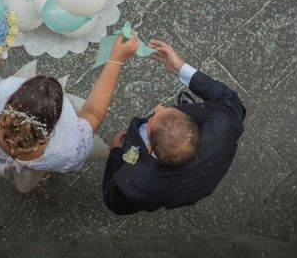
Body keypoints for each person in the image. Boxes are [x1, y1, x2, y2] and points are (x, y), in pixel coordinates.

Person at [0, 33, 139, 193]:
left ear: (9, 102)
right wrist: (116, 60)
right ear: (55, 123)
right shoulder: (67, 151)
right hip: (40, 163)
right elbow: (93, 113)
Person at [102, 40, 246, 215]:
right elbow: (231, 100)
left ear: (149, 147)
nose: (158, 107)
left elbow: (113, 201)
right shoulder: (224, 122)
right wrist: (180, 67)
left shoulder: (135, 185)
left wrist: (116, 153)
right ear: (193, 125)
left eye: (154, 118)